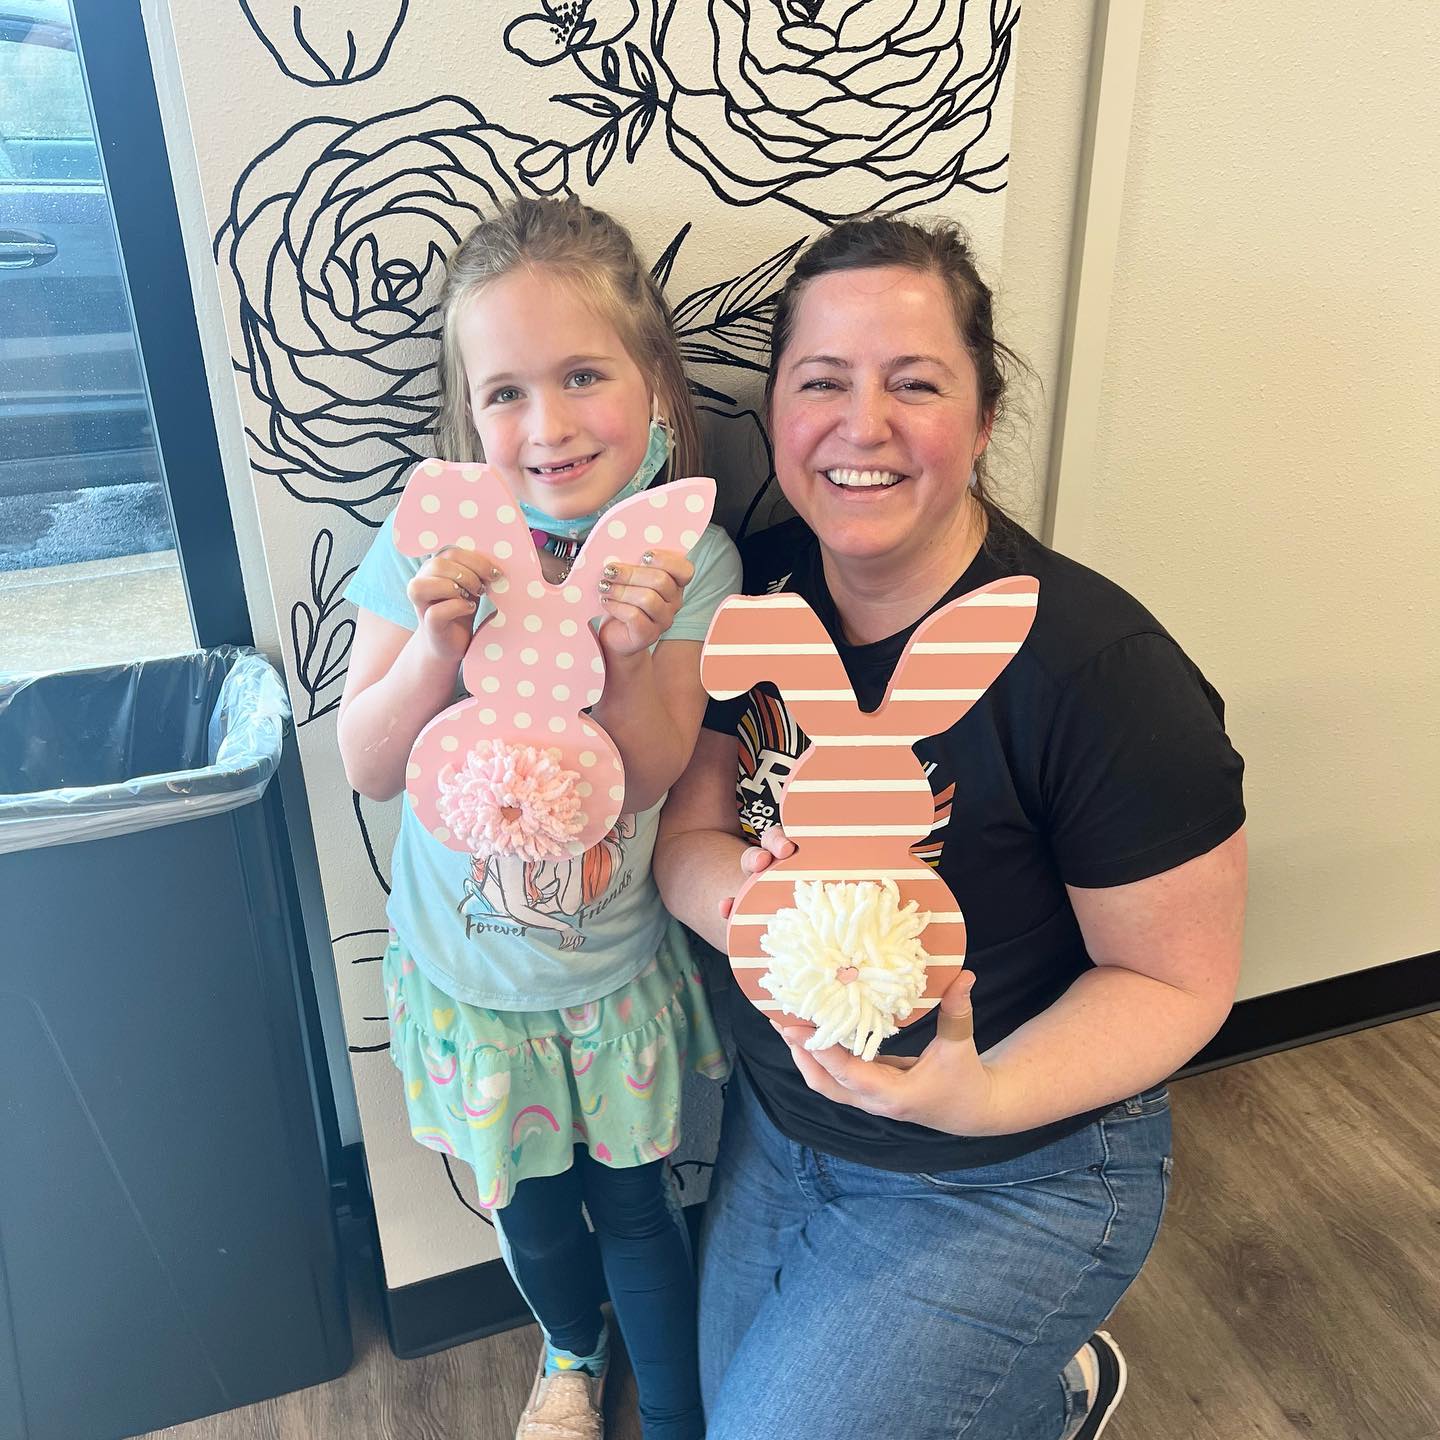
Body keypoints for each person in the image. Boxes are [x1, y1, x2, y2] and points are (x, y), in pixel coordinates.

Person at [654, 215, 1247, 1440]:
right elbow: (685, 838)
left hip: (1017, 1167)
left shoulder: (1100, 673)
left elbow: (1177, 982)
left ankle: (1036, 1380)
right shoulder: (761, 591)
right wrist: (766, 905)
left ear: (983, 421)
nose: (862, 425)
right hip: (786, 1125)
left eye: (914, 384)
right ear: (775, 410)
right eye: (823, 381)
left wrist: (982, 1098)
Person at [338, 197, 740, 1440]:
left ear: (654, 382)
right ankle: (570, 1353)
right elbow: (367, 764)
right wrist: (434, 646)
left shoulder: (685, 562)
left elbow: (657, 767)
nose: (549, 425)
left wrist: (626, 650)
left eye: (581, 376)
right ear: (470, 416)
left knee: (636, 1212)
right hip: (470, 982)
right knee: (528, 1210)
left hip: (608, 982)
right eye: (506, 392)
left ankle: (674, 1411)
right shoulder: (428, 544)